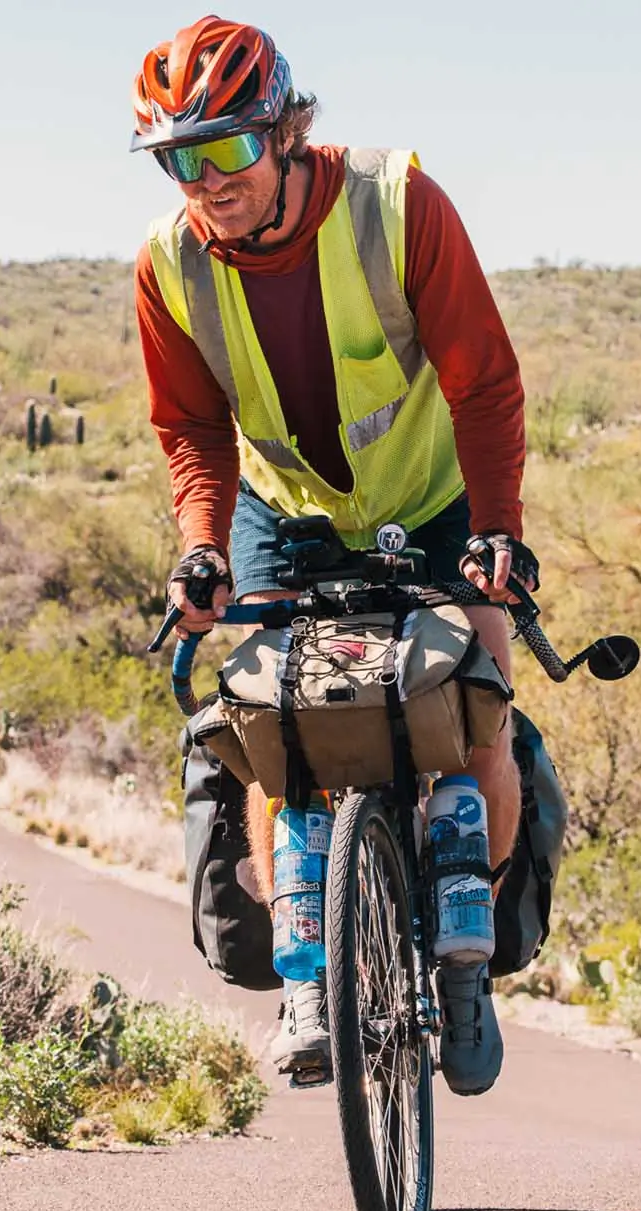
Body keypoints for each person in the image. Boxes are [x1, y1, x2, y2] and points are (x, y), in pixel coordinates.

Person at [131, 15, 536, 1097]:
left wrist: (496, 527)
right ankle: (309, 982)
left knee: (473, 691)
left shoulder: (395, 202)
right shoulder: (168, 264)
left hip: (433, 495)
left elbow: (482, 383)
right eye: (178, 158)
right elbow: (190, 428)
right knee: (267, 718)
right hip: (287, 508)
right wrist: (203, 548)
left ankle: (466, 961)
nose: (203, 180)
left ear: (282, 127)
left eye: (223, 148)